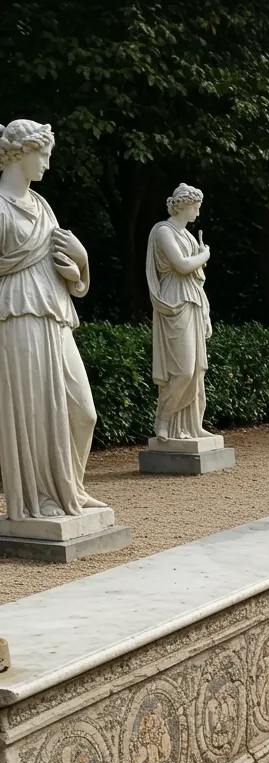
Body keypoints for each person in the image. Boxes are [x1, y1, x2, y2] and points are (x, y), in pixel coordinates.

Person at [0, 118, 103, 519]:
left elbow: (65, 274)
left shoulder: (42, 206)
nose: (46, 163)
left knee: (82, 411)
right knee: (34, 414)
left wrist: (82, 265)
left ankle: (70, 489)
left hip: (55, 314)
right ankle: (39, 499)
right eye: (42, 154)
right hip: (17, 315)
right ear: (21, 153)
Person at [146, 184, 216, 441]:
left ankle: (191, 426)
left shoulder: (186, 235)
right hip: (175, 300)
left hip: (194, 300)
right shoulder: (163, 231)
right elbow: (182, 265)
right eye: (196, 207)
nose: (198, 212)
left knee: (197, 370)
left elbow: (196, 279)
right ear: (183, 206)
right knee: (183, 369)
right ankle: (163, 418)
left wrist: (206, 314)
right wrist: (205, 254)